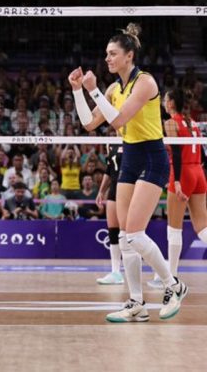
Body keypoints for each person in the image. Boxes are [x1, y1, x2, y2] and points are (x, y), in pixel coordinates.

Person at [70, 22, 187, 322]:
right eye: (106, 54)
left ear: (129, 56)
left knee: (135, 234)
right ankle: (136, 302)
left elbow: (118, 119)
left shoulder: (146, 83)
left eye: (112, 54)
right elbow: (88, 124)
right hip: (130, 158)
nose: (107, 59)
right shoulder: (113, 88)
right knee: (125, 236)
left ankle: (173, 285)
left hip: (152, 157)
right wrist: (77, 92)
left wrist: (93, 89)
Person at [148, 88, 207, 288]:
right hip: (199, 172)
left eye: (165, 100)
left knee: (174, 229)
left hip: (182, 174)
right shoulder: (193, 124)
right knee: (202, 227)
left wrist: (179, 181)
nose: (164, 103)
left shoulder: (171, 122)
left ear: (172, 103)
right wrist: (196, 173)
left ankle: (171, 277)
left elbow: (176, 153)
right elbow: (203, 156)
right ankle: (169, 274)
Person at [95, 144, 125, 285]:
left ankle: (162, 267)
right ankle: (116, 272)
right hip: (114, 188)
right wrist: (101, 191)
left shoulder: (135, 138)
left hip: (129, 187)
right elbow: (109, 169)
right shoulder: (110, 143)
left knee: (133, 233)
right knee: (113, 230)